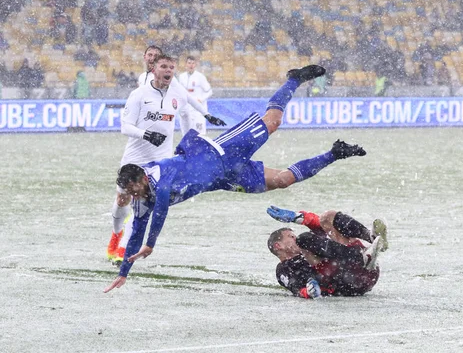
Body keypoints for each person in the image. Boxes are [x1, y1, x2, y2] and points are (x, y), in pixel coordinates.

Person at [104, 64, 366, 292]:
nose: (133, 195)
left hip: (223, 151)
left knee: (273, 121)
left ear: (142, 177)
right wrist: (123, 272)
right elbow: (137, 232)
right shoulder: (141, 197)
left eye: (134, 189)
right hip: (225, 178)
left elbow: (161, 207)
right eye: (130, 192)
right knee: (284, 180)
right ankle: (335, 153)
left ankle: (294, 79)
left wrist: (151, 244)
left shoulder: (157, 175)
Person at [105, 53, 226, 265]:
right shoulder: (139, 94)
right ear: (154, 69)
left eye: (171, 67)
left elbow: (188, 109)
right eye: (163, 66)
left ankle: (125, 248)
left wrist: (194, 139)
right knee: (122, 201)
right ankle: (116, 235)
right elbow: (125, 126)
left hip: (160, 160)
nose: (168, 70)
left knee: (144, 203)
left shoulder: (176, 94)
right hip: (135, 157)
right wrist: (146, 134)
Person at [266, 205, 388, 299]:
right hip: (346, 283)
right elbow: (295, 287)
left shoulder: (309, 246)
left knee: (327, 217)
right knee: (304, 239)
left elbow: (321, 224)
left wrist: (296, 217)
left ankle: (370, 237)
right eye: (290, 237)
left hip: (361, 272)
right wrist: (308, 292)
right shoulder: (283, 268)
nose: (295, 238)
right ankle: (361, 258)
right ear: (278, 245)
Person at [177, 56, 213, 136]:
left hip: (198, 111)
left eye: (193, 63)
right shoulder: (181, 77)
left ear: (195, 65)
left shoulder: (200, 77)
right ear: (186, 64)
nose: (191, 65)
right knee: (186, 133)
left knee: (199, 134)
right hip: (186, 109)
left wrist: (201, 99)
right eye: (189, 63)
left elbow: (209, 91)